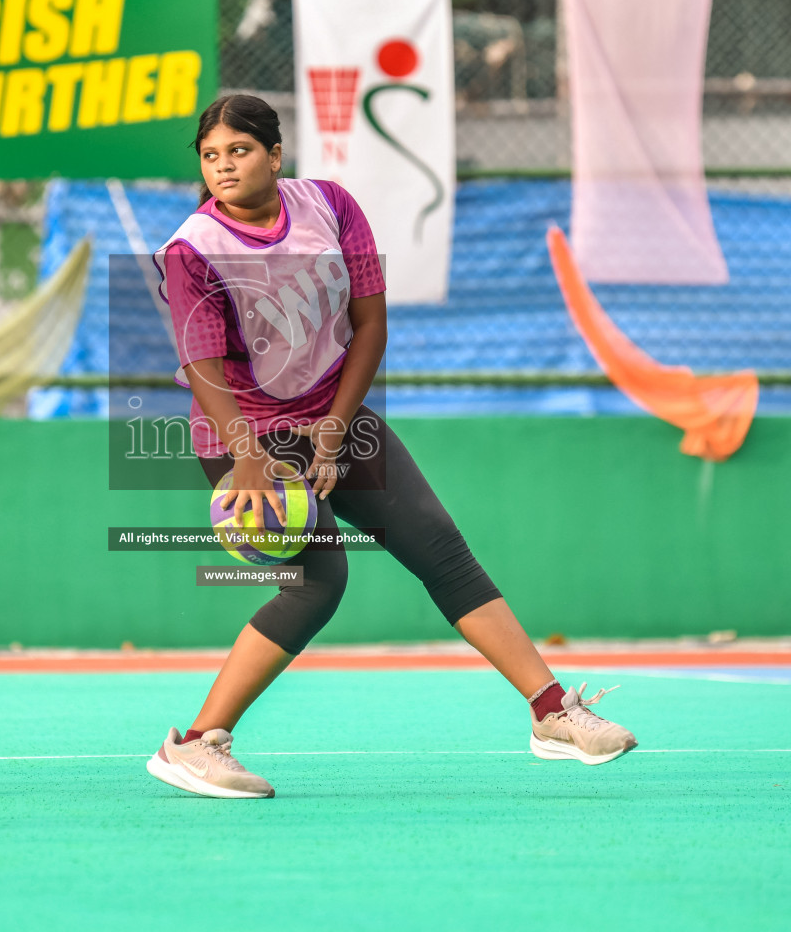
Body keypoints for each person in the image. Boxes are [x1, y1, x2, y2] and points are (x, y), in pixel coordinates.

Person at [143, 94, 637, 799]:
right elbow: (202, 368)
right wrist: (249, 456)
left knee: (439, 546)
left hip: (335, 416)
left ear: (276, 154)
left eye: (240, 150)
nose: (224, 165)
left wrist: (338, 426)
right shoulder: (192, 249)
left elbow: (369, 325)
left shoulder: (333, 207)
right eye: (211, 155)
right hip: (244, 436)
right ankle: (194, 745)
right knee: (321, 580)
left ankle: (552, 713)